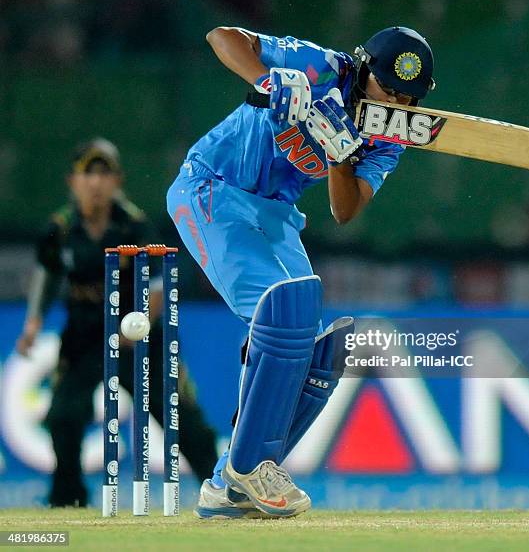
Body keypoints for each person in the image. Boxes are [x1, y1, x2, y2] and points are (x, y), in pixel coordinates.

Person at [166, 26, 435, 518]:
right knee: (283, 308)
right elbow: (221, 37)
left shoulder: (389, 137)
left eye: (407, 98)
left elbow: (345, 210)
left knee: (322, 349)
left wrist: (340, 156)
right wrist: (269, 82)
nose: (396, 104)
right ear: (364, 69)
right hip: (213, 189)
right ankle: (247, 471)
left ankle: (233, 481)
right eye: (388, 90)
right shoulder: (321, 66)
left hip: (276, 216)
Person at [17, 138, 217, 508]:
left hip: (139, 341)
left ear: (117, 180)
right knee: (63, 416)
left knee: (180, 418)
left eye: (104, 173)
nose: (96, 182)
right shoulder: (60, 229)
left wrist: (141, 320)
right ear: (72, 181)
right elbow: (46, 276)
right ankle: (67, 500)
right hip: (84, 335)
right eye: (87, 173)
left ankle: (223, 491)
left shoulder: (135, 228)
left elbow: (158, 287)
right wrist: (33, 322)